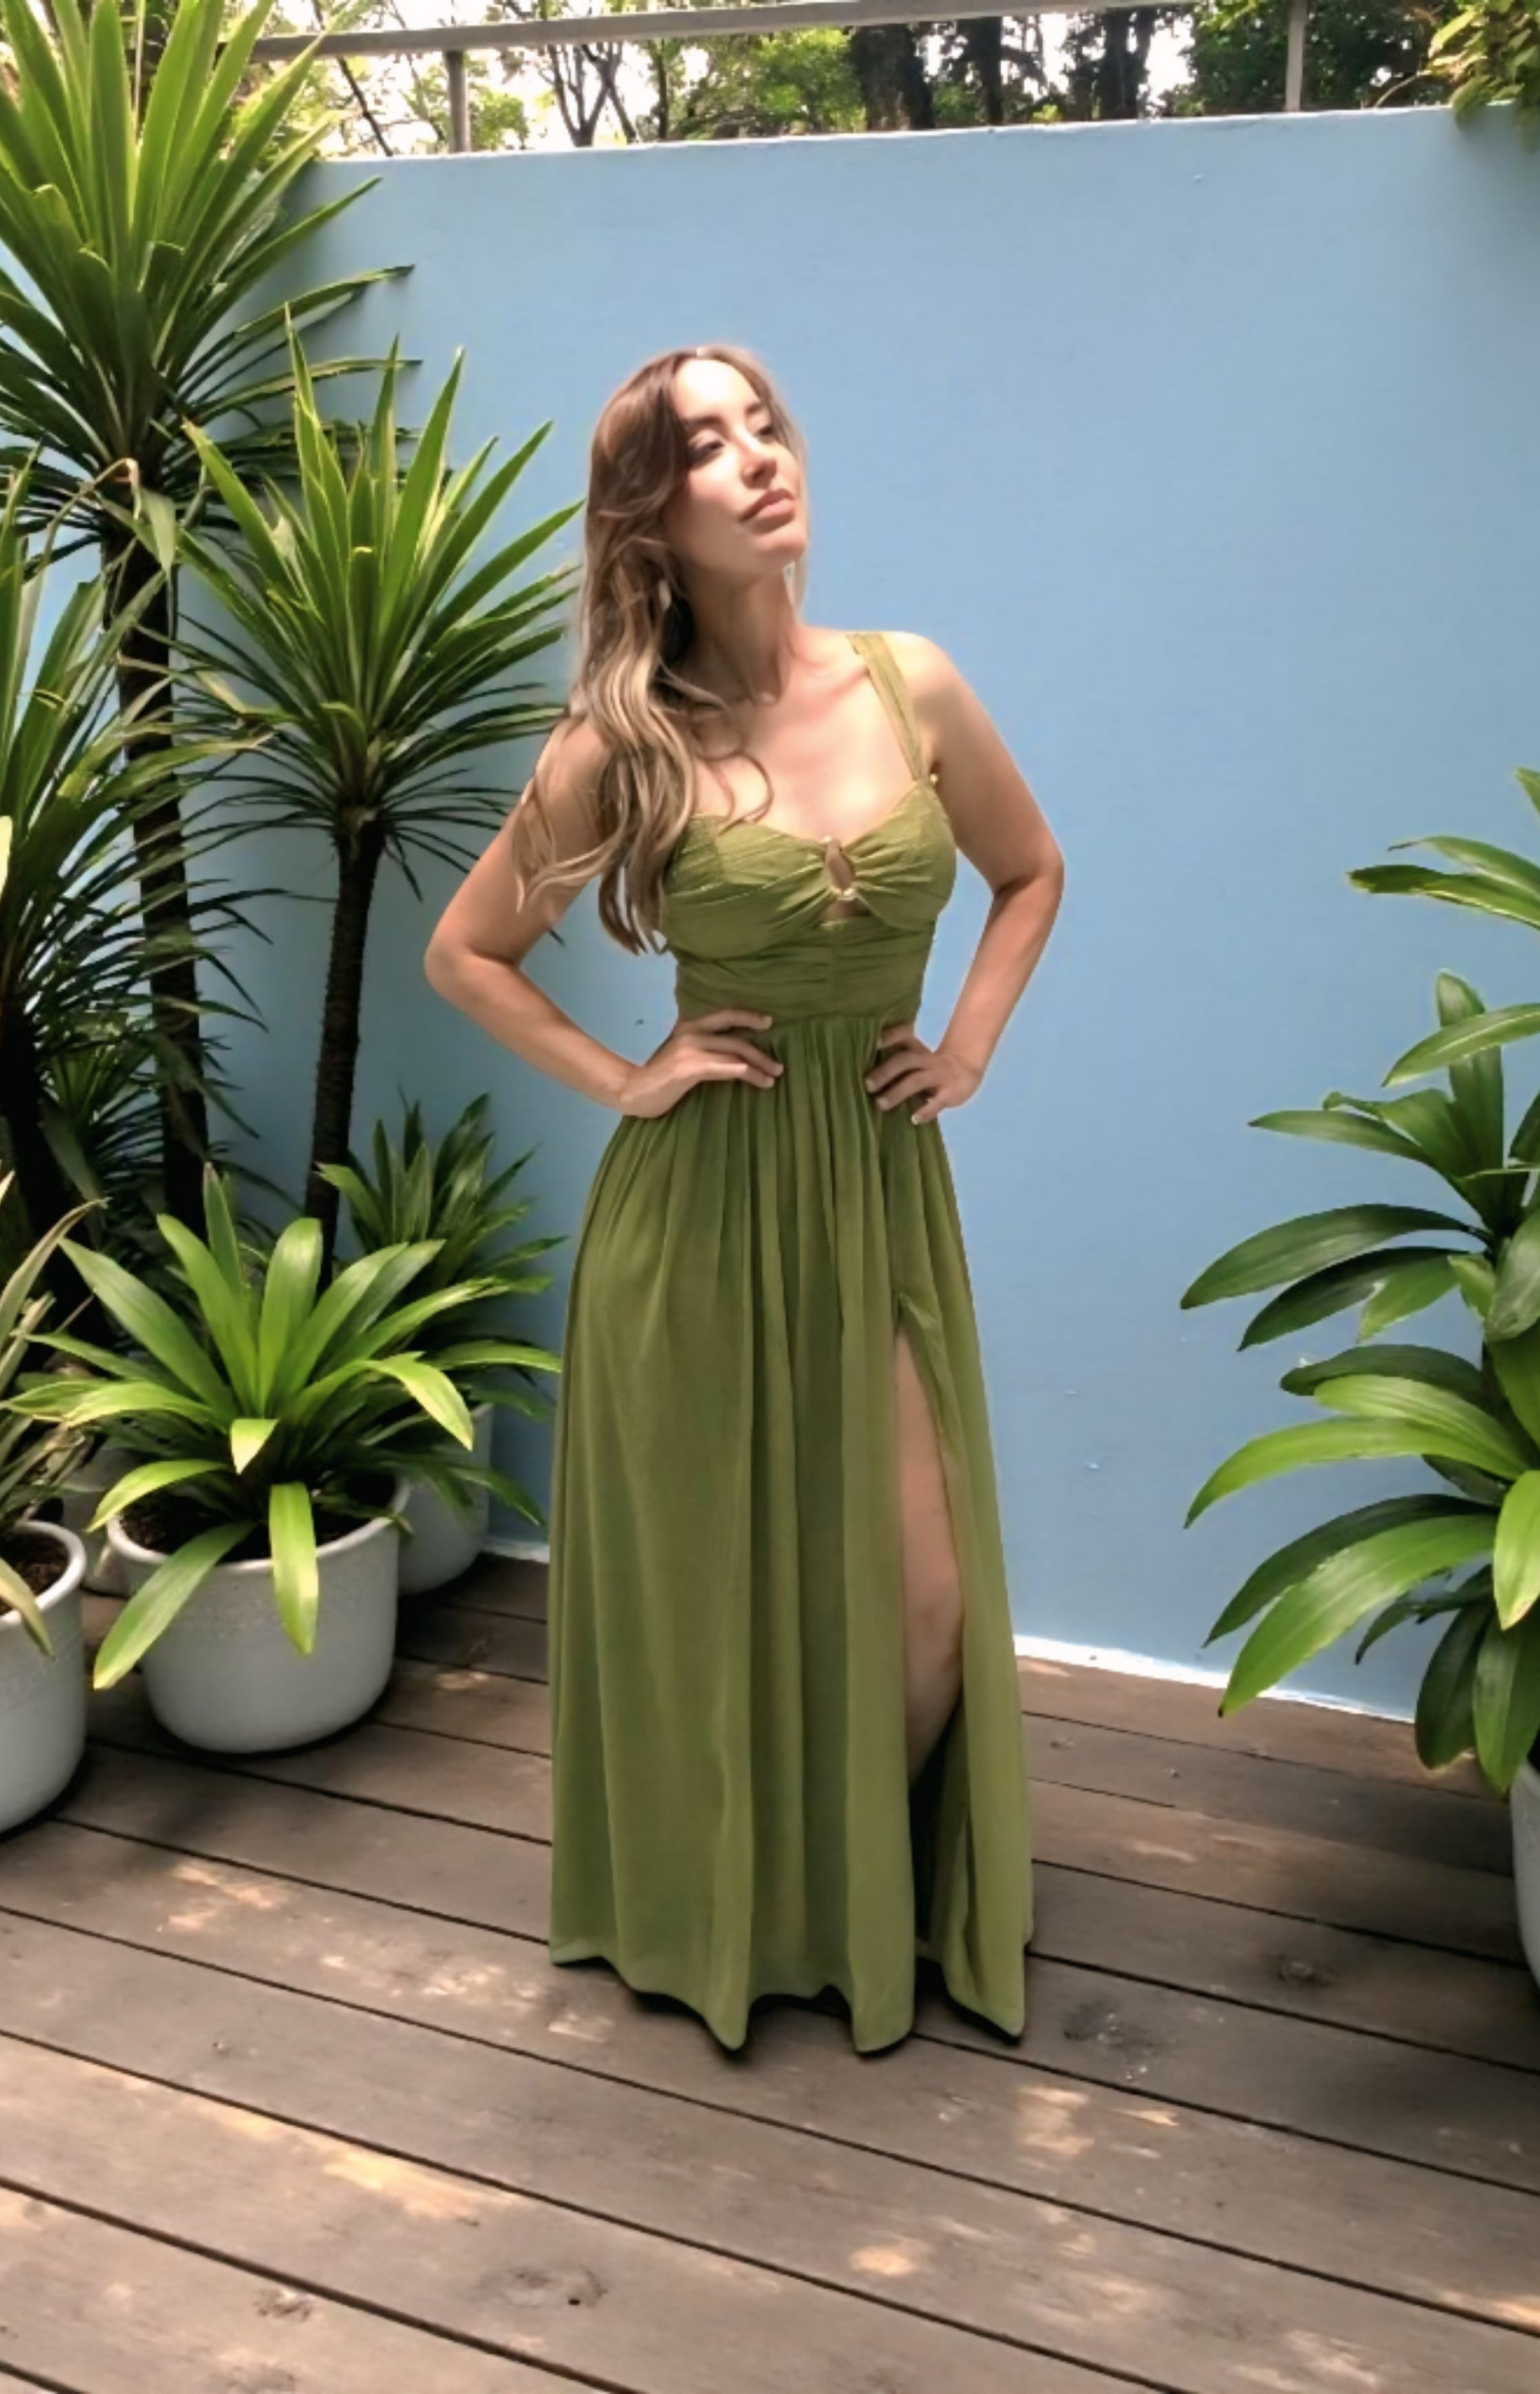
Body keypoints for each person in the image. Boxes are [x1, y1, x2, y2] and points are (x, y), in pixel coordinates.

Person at [424, 341, 1067, 2056]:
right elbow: (467, 951)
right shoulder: (624, 743)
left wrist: (968, 1049)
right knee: (726, 1595)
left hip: (875, 1187)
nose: (761, 456)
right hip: (701, 1221)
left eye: (765, 423)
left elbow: (1028, 872)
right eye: (708, 445)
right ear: (650, 517)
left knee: (921, 1597)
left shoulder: (912, 684)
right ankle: (763, 1906)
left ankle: (853, 1877)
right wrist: (625, 1076)